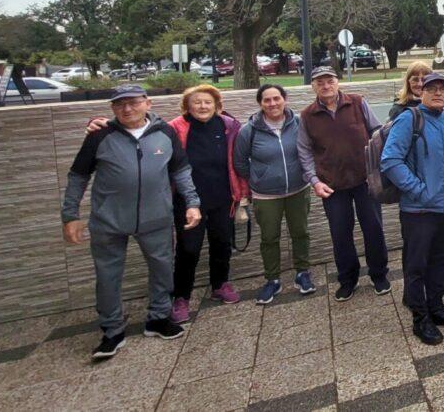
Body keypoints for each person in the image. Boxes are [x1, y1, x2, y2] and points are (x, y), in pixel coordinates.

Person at [62, 85, 201, 359]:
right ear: (113, 108)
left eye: (133, 103)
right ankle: (112, 330)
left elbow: (181, 171)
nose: (127, 109)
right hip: (108, 220)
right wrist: (70, 215)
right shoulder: (100, 136)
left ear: (147, 103)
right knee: (107, 276)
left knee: (162, 268)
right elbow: (78, 176)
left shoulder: (164, 133)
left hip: (156, 217)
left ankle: (158, 318)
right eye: (120, 104)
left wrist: (193, 203)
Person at [382, 73, 444, 345]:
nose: (438, 93)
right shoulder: (409, 119)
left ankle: (436, 306)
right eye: (432, 88)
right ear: (421, 91)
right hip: (418, 211)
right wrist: (419, 190)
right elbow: (391, 161)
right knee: (416, 265)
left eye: (443, 88)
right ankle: (421, 317)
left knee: (440, 261)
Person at [298, 66, 390, 302]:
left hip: (365, 181)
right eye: (320, 82)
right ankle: (348, 280)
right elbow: (305, 151)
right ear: (313, 87)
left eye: (329, 81)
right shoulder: (308, 115)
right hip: (331, 185)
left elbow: (377, 132)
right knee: (340, 233)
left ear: (337, 82)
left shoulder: (357, 103)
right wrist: (314, 181)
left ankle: (379, 275)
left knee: (373, 229)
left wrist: (377, 167)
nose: (325, 86)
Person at [167, 86, 247, 321]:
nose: (202, 106)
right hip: (188, 201)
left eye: (207, 102)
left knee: (222, 242)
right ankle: (181, 296)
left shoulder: (229, 126)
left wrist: (242, 194)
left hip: (223, 197)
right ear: (187, 106)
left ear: (216, 105)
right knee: (188, 248)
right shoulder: (175, 128)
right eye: (197, 102)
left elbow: (238, 161)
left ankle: (220, 284)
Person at [233, 84, 315, 304]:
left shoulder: (298, 123)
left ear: (285, 99)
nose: (272, 104)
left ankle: (303, 273)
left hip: (298, 189)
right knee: (269, 238)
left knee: (301, 232)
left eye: (276, 98)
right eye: (267, 100)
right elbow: (240, 162)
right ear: (260, 103)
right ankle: (272, 279)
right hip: (266, 195)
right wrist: (258, 178)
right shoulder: (248, 130)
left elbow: (309, 149)